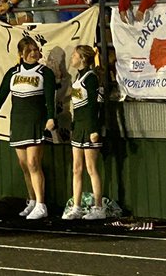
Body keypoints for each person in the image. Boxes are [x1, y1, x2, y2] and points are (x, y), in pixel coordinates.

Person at [0, 36, 57, 220]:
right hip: (18, 122)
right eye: (29, 50)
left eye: (35, 50)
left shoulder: (44, 72)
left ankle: (41, 204)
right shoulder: (13, 72)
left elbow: (50, 98)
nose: (34, 53)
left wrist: (51, 118)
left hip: (36, 121)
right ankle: (32, 200)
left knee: (34, 163)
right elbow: (0, 97)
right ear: (21, 54)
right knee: (24, 166)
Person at [64, 45, 106, 220]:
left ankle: (98, 207)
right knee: (76, 169)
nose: (72, 58)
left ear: (82, 58)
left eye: (74, 55)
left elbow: (94, 106)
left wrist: (94, 129)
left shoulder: (91, 78)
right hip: (78, 127)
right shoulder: (78, 77)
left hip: (89, 127)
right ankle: (77, 206)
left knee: (91, 168)